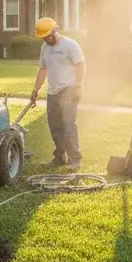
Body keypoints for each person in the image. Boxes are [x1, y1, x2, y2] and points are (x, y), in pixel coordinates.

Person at [29, 17, 86, 170]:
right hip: (52, 91)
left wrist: (77, 85)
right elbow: (43, 69)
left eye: (48, 36)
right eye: (44, 37)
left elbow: (81, 65)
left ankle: (75, 159)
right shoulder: (45, 48)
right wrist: (35, 90)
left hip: (69, 89)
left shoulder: (70, 45)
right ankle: (60, 157)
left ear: (55, 30)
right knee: (55, 126)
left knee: (68, 125)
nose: (47, 39)